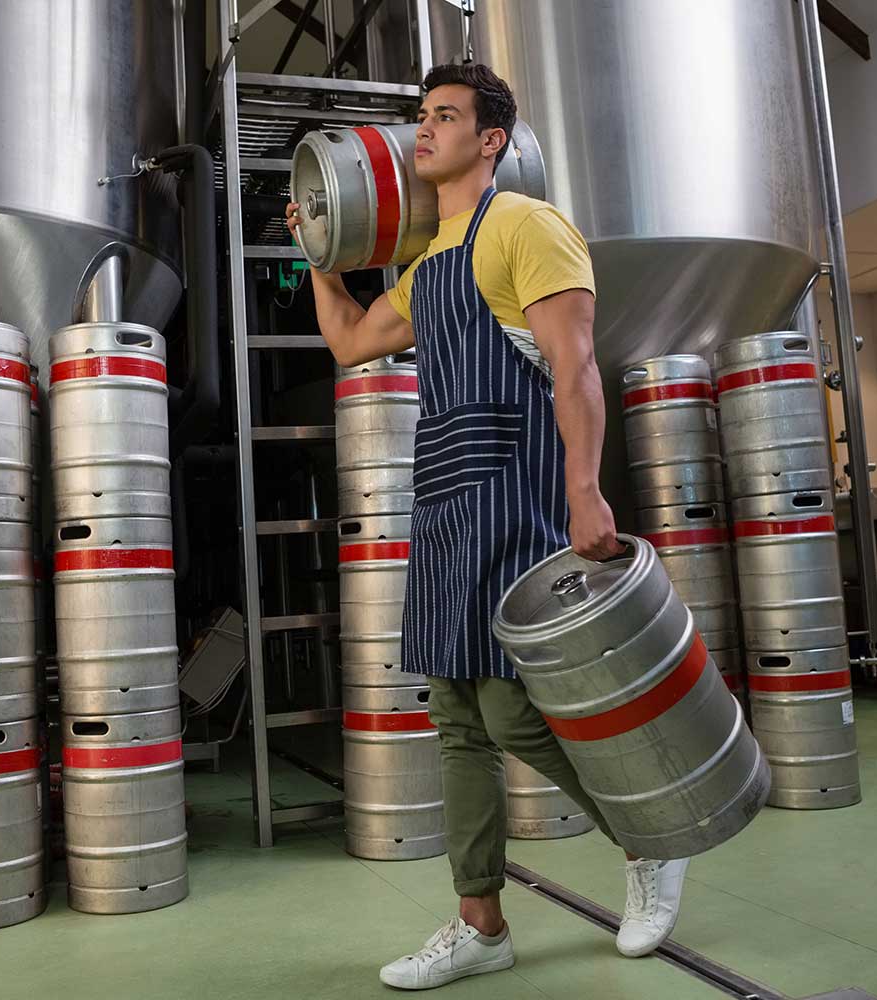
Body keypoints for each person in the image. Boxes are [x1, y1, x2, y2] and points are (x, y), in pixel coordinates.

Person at [285, 63, 691, 990]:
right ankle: (481, 923)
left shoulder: (528, 228)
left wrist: (586, 491)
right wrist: (317, 255)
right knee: (457, 717)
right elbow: (350, 344)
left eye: (444, 117)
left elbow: (575, 364)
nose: (422, 131)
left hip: (521, 490)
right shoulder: (432, 264)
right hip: (445, 497)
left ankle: (651, 843)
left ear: (491, 140)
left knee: (510, 707)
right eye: (420, 118)